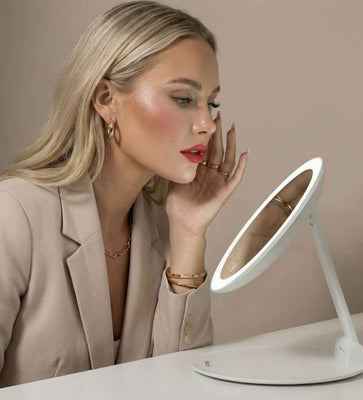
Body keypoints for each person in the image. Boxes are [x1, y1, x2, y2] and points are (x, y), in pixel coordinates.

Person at [0, 1, 249, 387]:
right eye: (184, 99)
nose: (207, 125)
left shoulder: (162, 226)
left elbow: (184, 385)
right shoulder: (13, 215)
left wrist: (188, 234)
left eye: (211, 103)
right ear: (105, 99)